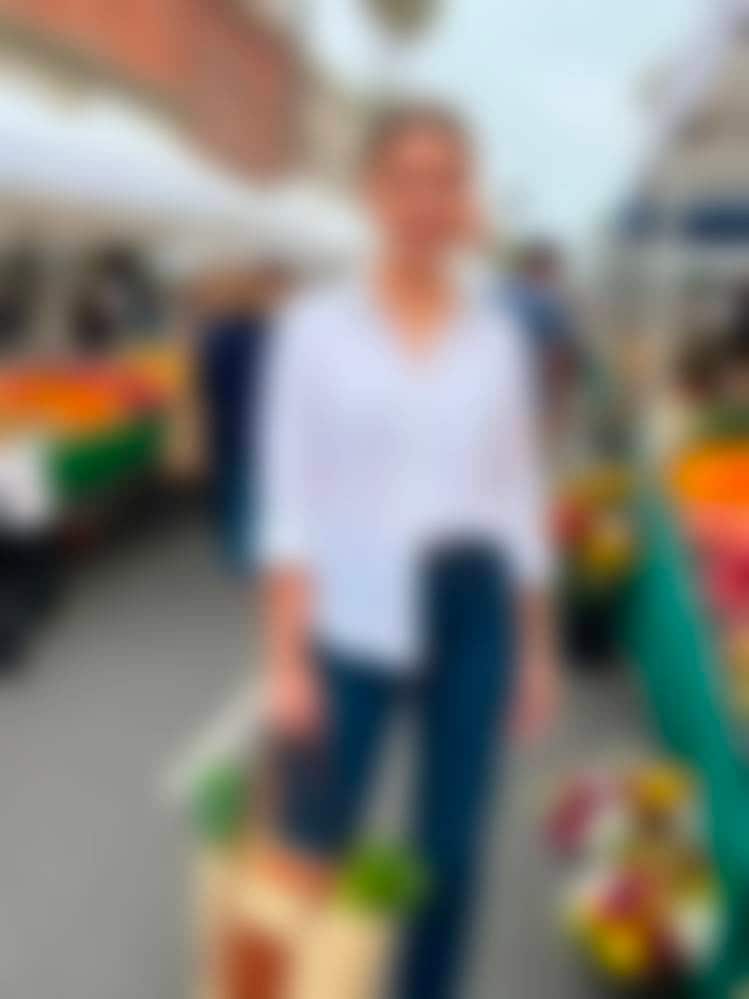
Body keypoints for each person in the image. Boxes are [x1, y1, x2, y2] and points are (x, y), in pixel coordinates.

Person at [258, 104, 559, 998]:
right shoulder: (313, 328)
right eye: (407, 180)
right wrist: (285, 659)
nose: (427, 202)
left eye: (446, 181)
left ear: (467, 198)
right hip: (350, 594)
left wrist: (534, 647)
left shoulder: (497, 340)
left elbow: (516, 498)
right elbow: (288, 503)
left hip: (471, 602)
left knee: (450, 853)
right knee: (313, 835)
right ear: (371, 191)